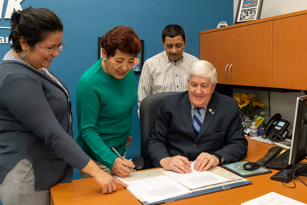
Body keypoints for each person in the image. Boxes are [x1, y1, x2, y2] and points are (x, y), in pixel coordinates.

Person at [0, 8, 126, 205]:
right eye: (50, 48)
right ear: (24, 43)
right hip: (27, 179)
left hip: (47, 171)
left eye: (60, 46)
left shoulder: (34, 67)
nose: (57, 53)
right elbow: (52, 132)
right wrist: (96, 172)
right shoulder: (15, 78)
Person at [146, 60, 248, 173]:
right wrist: (165, 160)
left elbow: (239, 143)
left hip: (209, 172)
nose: (198, 91)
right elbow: (155, 140)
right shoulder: (169, 104)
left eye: (204, 86)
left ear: (213, 87)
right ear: (187, 82)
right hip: (173, 171)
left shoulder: (229, 106)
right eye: (193, 85)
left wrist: (216, 157)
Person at [76, 26, 142, 179]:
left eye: (131, 61)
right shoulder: (90, 83)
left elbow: (127, 101)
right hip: (97, 159)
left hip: (119, 152)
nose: (125, 67)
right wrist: (111, 160)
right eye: (119, 61)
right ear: (105, 54)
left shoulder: (126, 71)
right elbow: (87, 129)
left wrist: (129, 130)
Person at [137, 24, 198, 112]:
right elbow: (143, 100)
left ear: (185, 42)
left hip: (188, 119)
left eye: (178, 45)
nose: (174, 50)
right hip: (160, 119)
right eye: (169, 46)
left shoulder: (195, 63)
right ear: (163, 43)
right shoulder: (150, 65)